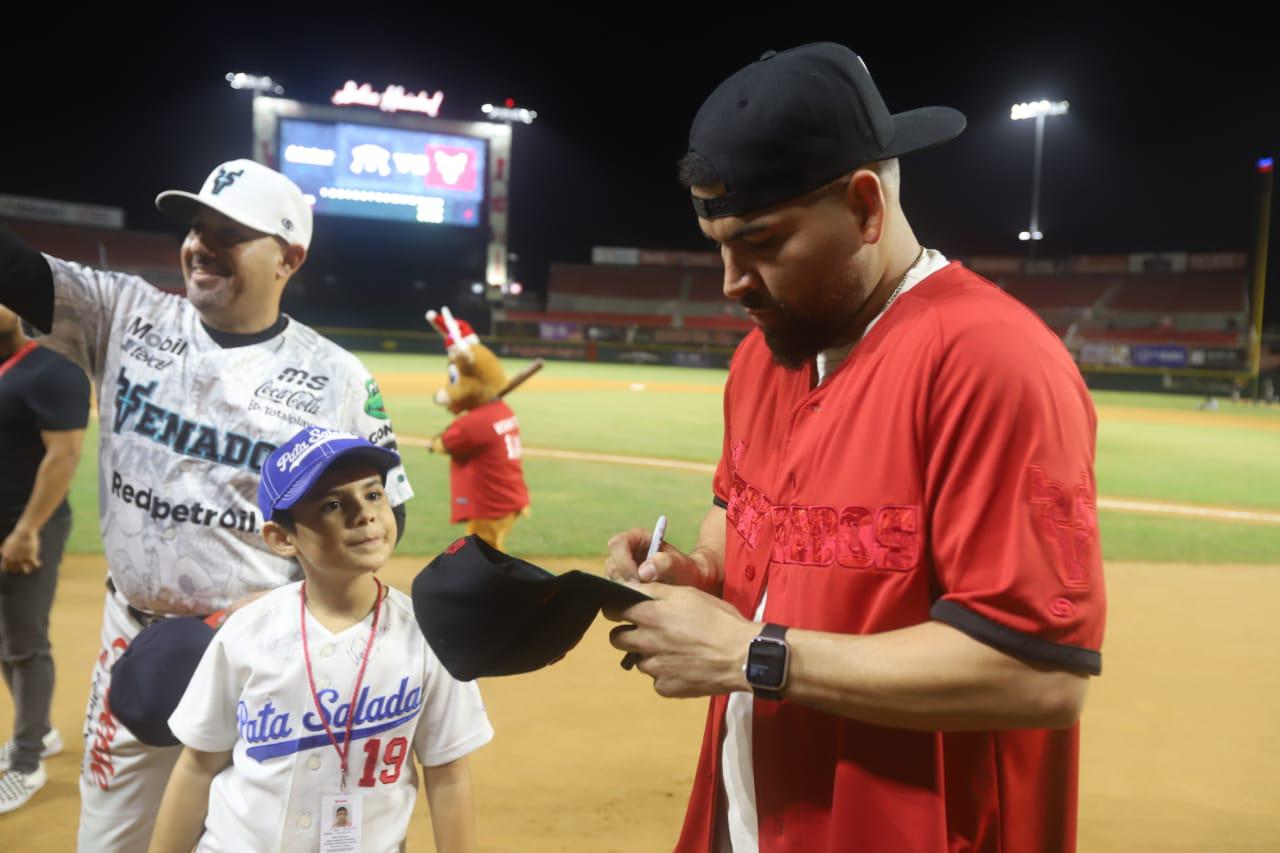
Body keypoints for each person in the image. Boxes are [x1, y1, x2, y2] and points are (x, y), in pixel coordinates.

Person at [605, 43, 1105, 853]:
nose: (731, 280)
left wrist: (755, 654)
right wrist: (691, 573)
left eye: (762, 241)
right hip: (753, 815)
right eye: (719, 245)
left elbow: (1041, 675)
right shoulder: (765, 354)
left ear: (867, 207)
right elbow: (739, 527)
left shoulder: (992, 361)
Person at [0, 159, 414, 850]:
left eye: (229, 233)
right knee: (111, 841)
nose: (201, 245)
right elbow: (15, 269)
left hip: (265, 656)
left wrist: (302, 597)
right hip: (133, 647)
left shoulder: (336, 377)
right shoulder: (123, 315)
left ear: (290, 257)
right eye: (197, 228)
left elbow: (389, 513)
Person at [149, 427, 490, 852]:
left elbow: (449, 774)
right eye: (333, 504)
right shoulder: (247, 631)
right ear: (282, 538)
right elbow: (198, 767)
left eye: (373, 495)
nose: (364, 514)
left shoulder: (431, 635)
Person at [0, 304, 89, 813]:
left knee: (26, 645)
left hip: (27, 531)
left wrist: (27, 530)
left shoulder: (53, 371)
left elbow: (64, 457)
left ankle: (27, 763)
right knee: (5, 641)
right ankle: (41, 733)